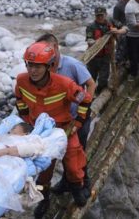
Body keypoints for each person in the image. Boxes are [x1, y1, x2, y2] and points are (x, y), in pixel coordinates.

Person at [15, 42, 92, 218]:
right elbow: (19, 99)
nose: (33, 70)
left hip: (64, 130)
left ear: (49, 66)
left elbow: (85, 99)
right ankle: (44, 198)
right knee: (43, 172)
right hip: (40, 134)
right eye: (30, 65)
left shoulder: (64, 84)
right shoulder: (21, 81)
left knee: (73, 163)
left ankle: (77, 187)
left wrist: (78, 123)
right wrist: (26, 119)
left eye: (37, 66)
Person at [35, 33, 95, 197]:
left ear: (55, 48)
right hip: (55, 122)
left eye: (46, 49)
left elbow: (90, 84)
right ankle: (60, 186)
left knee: (78, 152)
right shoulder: (42, 67)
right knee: (52, 157)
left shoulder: (72, 65)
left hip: (77, 118)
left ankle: (84, 184)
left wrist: (84, 109)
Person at [86, 7, 127, 94]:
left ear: (105, 14)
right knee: (91, 79)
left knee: (103, 79)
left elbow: (125, 28)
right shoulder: (91, 26)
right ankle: (90, 96)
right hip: (93, 57)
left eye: (101, 15)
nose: (100, 17)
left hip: (106, 56)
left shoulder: (111, 22)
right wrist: (98, 42)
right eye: (98, 16)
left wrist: (118, 31)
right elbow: (89, 40)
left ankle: (99, 92)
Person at [113, 0, 134, 64]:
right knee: (121, 51)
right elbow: (115, 20)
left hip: (132, 31)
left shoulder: (132, 3)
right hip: (123, 33)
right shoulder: (119, 6)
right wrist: (122, 26)